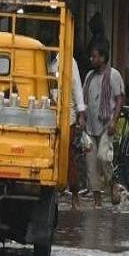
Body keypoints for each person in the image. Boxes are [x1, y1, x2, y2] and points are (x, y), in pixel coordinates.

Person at [82, 39, 125, 206]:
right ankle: (97, 202)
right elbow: (83, 100)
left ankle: (113, 184)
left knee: (103, 157)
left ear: (103, 57)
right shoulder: (89, 76)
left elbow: (119, 98)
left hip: (106, 125)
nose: (92, 60)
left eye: (94, 57)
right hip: (90, 126)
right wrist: (81, 117)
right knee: (91, 164)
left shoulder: (113, 75)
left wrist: (114, 121)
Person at [49, 52, 86, 197]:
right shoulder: (41, 58)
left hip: (67, 117)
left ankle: (74, 193)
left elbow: (76, 86)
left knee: (68, 155)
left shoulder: (69, 61)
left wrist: (81, 113)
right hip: (48, 116)